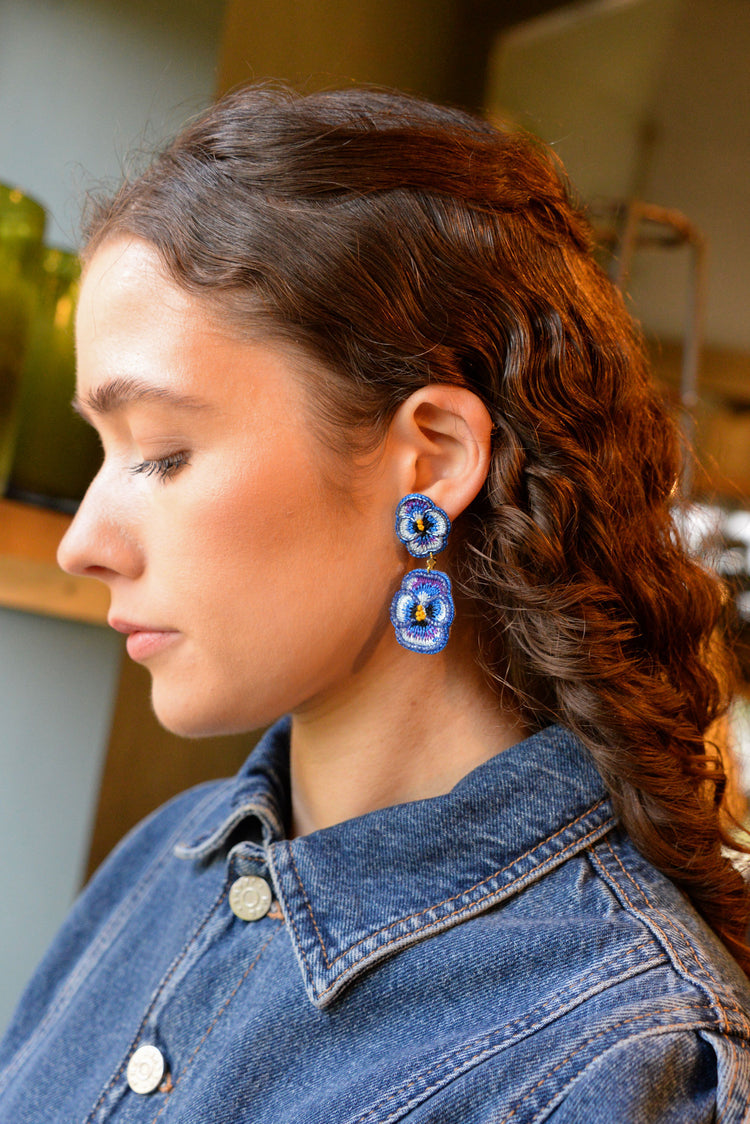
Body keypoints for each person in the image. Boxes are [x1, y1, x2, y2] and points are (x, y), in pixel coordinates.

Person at [1, 82, 749, 1123]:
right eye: (103, 451)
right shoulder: (163, 859)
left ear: (432, 455)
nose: (84, 541)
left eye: (164, 453)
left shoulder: (622, 1055)